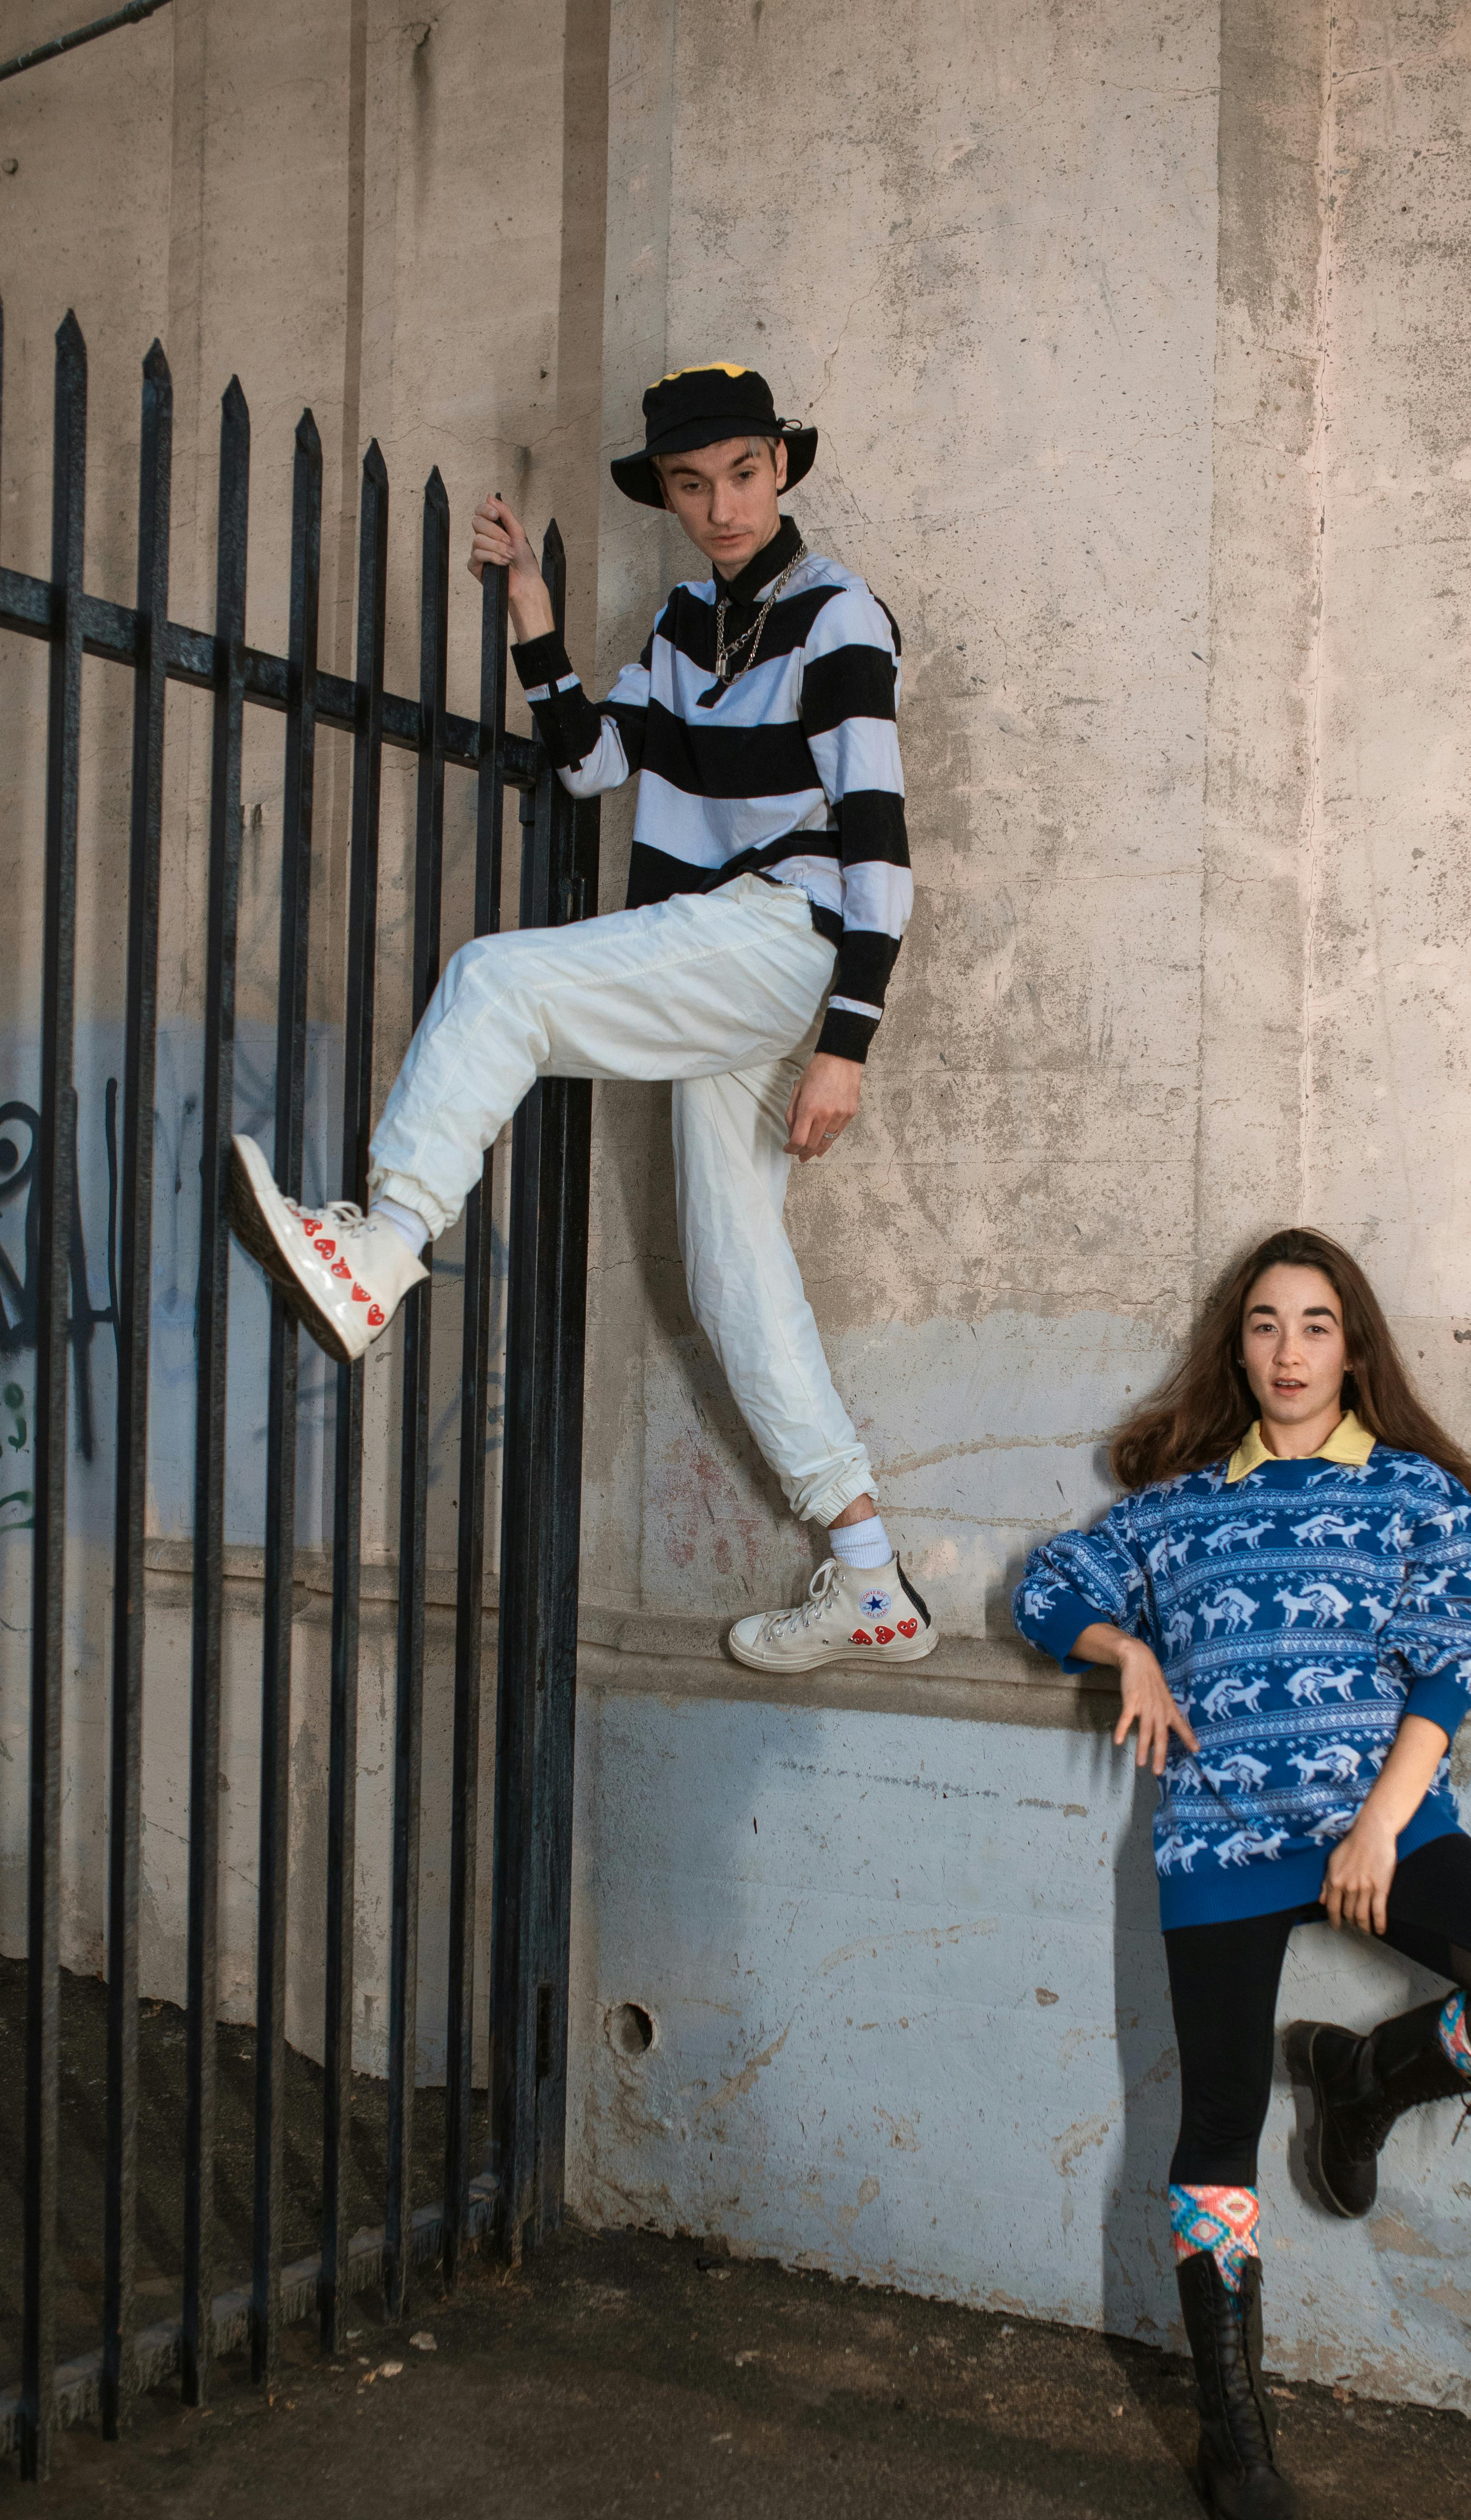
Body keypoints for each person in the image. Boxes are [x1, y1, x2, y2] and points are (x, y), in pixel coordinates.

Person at [227, 362, 935, 1673]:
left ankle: (383, 1245)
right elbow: (595, 762)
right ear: (666, 495)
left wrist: (849, 1039)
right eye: (691, 482)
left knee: (502, 979)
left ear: (781, 468)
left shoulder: (837, 616)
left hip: (785, 932)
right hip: (715, 953)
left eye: (741, 472)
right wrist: (534, 616)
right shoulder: (681, 623)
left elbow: (884, 835)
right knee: (734, 1278)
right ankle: (871, 1578)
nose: (720, 504)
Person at [1013, 1228, 1471, 2520]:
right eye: (1267, 1325)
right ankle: (1235, 2428)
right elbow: (1049, 1586)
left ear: (1356, 1346)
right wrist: (1129, 1654)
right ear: (1238, 1346)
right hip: (1219, 1851)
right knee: (1215, 2119)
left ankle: (1372, 2075)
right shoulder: (1175, 1507)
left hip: (1382, 1828)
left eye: (1319, 1325)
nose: (1291, 1352)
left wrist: (1380, 1833)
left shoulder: (1409, 1495)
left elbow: (1448, 1666)